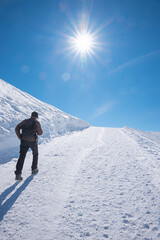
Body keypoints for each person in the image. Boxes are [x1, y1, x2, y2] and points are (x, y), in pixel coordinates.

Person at [15, 111, 43, 180]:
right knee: (35, 154)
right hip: (33, 141)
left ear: (31, 116)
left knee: (22, 156)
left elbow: (17, 128)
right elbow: (40, 133)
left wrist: (20, 137)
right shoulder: (36, 122)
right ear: (36, 117)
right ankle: (34, 169)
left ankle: (18, 174)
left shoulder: (24, 121)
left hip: (24, 141)